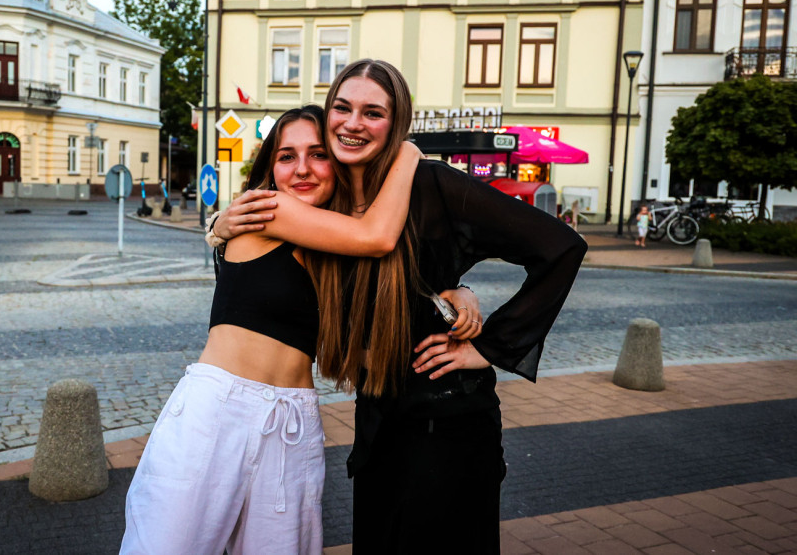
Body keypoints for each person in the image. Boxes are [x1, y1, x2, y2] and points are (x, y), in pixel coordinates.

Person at [214, 59, 588, 553]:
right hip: (377, 420)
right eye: (342, 108)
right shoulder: (326, 200)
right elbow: (265, 276)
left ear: (397, 123)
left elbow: (561, 246)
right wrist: (218, 227)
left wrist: (492, 346)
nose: (353, 123)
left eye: (373, 112)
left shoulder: (433, 184)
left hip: (448, 419)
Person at [120, 105, 423, 555]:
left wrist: (455, 293)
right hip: (220, 412)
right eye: (286, 156)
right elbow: (377, 237)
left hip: (294, 423)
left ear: (337, 164)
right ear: (270, 168)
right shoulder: (269, 208)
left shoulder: (333, 253)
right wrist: (410, 153)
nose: (301, 168)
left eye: (318, 154)